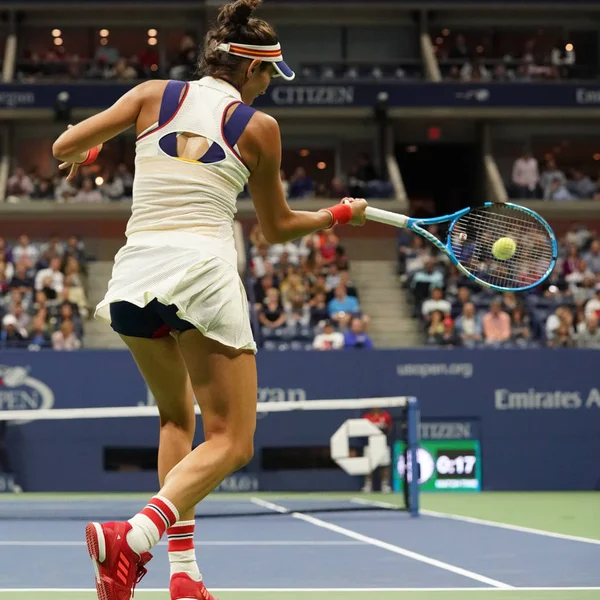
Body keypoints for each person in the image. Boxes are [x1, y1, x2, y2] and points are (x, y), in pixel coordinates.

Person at [51, 2, 368, 599]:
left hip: (133, 280)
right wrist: (334, 216)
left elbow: (63, 145)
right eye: (269, 75)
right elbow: (275, 228)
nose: (269, 86)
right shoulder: (259, 128)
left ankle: (183, 573)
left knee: (177, 418)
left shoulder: (150, 94)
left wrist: (86, 152)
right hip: (200, 276)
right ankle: (134, 540)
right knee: (232, 441)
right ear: (250, 69)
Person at [361, 407, 392, 493]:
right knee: (368, 466)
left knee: (384, 466)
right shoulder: (366, 417)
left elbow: (389, 428)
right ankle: (368, 485)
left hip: (382, 444)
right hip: (370, 444)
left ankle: (385, 485)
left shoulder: (385, 416)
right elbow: (364, 430)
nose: (375, 407)